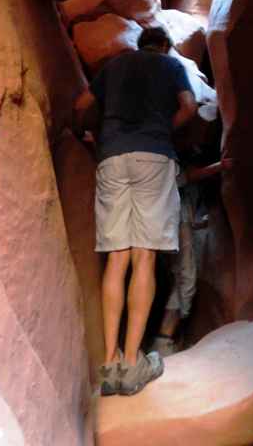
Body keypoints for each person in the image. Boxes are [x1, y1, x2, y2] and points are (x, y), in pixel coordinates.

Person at [74, 25, 197, 396]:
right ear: (164, 46)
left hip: (112, 157)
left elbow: (81, 106)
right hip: (153, 157)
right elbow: (189, 107)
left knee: (116, 258)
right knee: (144, 258)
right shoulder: (170, 66)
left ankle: (109, 362)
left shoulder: (114, 65)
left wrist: (91, 134)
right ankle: (132, 363)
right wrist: (162, 129)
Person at [151, 156, 234, 356]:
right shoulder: (162, 147)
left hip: (173, 214)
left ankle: (164, 339)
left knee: (181, 279)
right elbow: (184, 177)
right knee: (185, 278)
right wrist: (219, 166)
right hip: (172, 216)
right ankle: (163, 341)